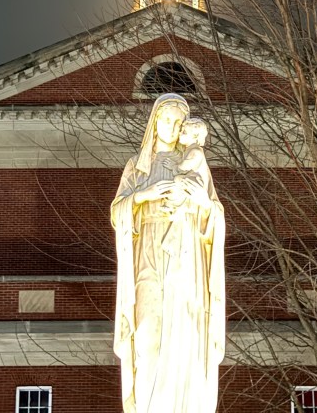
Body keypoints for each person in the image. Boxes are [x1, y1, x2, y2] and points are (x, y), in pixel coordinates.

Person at [111, 94, 226, 413]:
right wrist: (141, 197)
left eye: (178, 122)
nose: (172, 127)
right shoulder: (137, 167)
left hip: (186, 256)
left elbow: (215, 216)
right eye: (166, 120)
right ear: (155, 122)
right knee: (147, 336)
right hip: (148, 251)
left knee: (185, 337)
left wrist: (203, 204)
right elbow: (117, 213)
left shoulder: (195, 161)